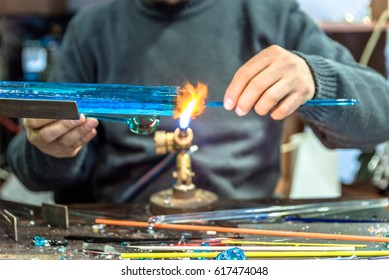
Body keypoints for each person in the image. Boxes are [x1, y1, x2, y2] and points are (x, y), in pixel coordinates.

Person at [5, 0, 389, 204]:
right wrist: (49, 148)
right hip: (125, 234)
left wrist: (315, 78)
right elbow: (31, 169)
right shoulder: (92, 30)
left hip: (244, 230)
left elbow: (381, 115)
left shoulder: (271, 13)